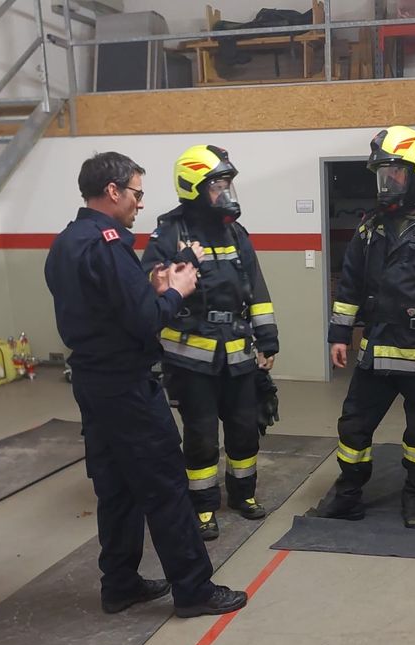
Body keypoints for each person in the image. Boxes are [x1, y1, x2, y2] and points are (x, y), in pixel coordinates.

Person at [44, 151, 248, 617]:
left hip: (92, 381)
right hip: (127, 386)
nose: (139, 202)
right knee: (164, 486)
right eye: (136, 192)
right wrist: (177, 290)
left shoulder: (66, 243)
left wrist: (150, 285)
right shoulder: (108, 243)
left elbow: (104, 305)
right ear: (112, 191)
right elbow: (142, 321)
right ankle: (194, 590)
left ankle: (119, 584)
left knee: (115, 487)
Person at [320, 125, 415, 529]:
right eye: (382, 173)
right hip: (375, 350)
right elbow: (350, 284)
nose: (387, 182)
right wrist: (339, 335)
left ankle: (414, 494)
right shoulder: (370, 226)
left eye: (396, 173)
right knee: (354, 425)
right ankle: (349, 493)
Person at [142, 144, 279, 542]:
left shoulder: (236, 233)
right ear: (194, 187)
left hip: (237, 352)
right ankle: (203, 507)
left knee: (244, 429)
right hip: (191, 358)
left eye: (227, 185)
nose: (225, 193)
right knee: (201, 435)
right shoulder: (169, 231)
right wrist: (178, 263)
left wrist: (267, 339)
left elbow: (256, 289)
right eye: (217, 185)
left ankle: (243, 495)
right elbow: (150, 280)